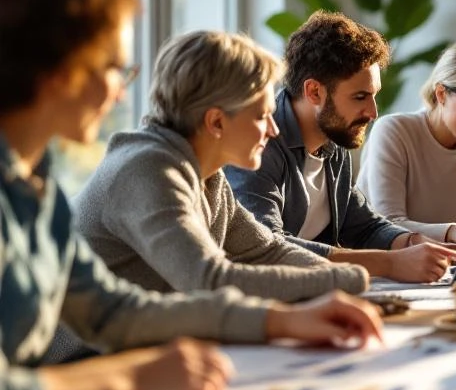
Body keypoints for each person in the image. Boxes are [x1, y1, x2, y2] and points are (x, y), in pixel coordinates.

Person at [0, 0, 382, 390]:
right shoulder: (142, 167)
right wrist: (127, 381)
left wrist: (285, 319)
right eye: (114, 66)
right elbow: (202, 283)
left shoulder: (34, 180)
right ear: (57, 73)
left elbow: (112, 309)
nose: (119, 90)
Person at [75, 30, 368, 302]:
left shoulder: (209, 177)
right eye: (261, 116)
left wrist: (341, 281)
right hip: (82, 357)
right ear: (216, 121)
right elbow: (209, 279)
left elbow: (265, 251)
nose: (273, 129)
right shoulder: (146, 170)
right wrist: (345, 280)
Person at [224, 11, 456, 283]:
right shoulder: (258, 144)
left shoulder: (333, 141)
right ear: (314, 92)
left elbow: (364, 226)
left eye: (374, 96)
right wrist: (390, 263)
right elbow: (267, 246)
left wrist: (414, 243)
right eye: (360, 96)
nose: (373, 112)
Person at [355, 40, 456, 246]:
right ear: (441, 94)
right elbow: (388, 225)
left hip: (445, 269)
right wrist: (451, 231)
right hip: (382, 265)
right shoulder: (394, 131)